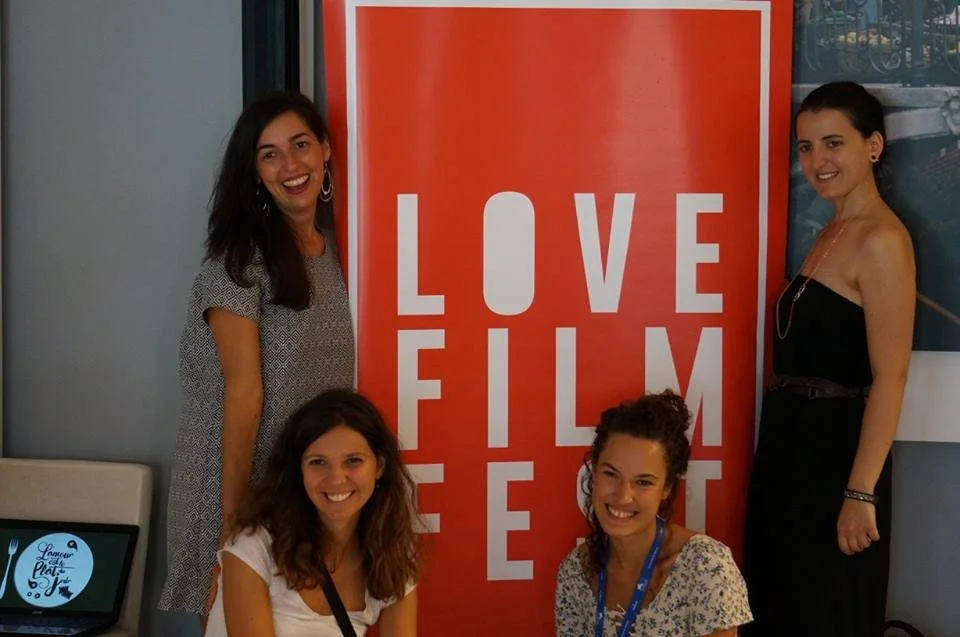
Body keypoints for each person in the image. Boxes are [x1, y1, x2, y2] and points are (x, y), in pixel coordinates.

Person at [159, 91, 355, 622]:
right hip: (235, 483)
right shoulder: (240, 263)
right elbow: (244, 394)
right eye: (270, 155)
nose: (291, 166)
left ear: (326, 150)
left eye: (300, 145)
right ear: (254, 173)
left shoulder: (343, 252)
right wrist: (233, 528)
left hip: (308, 483)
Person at [743, 81, 916, 636]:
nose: (818, 161)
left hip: (834, 459)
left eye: (833, 143)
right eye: (806, 146)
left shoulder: (882, 240)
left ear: (873, 145)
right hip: (790, 452)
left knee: (828, 613)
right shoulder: (832, 231)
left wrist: (860, 493)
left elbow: (890, 378)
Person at [204, 388, 419, 636]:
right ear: (299, 470)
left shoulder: (392, 552)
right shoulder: (253, 547)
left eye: (353, 460)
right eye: (318, 462)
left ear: (379, 466)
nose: (336, 478)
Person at [554, 390, 753, 637]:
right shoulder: (576, 571)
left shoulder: (705, 566)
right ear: (594, 473)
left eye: (643, 482)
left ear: (666, 488)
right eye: (611, 474)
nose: (623, 496)